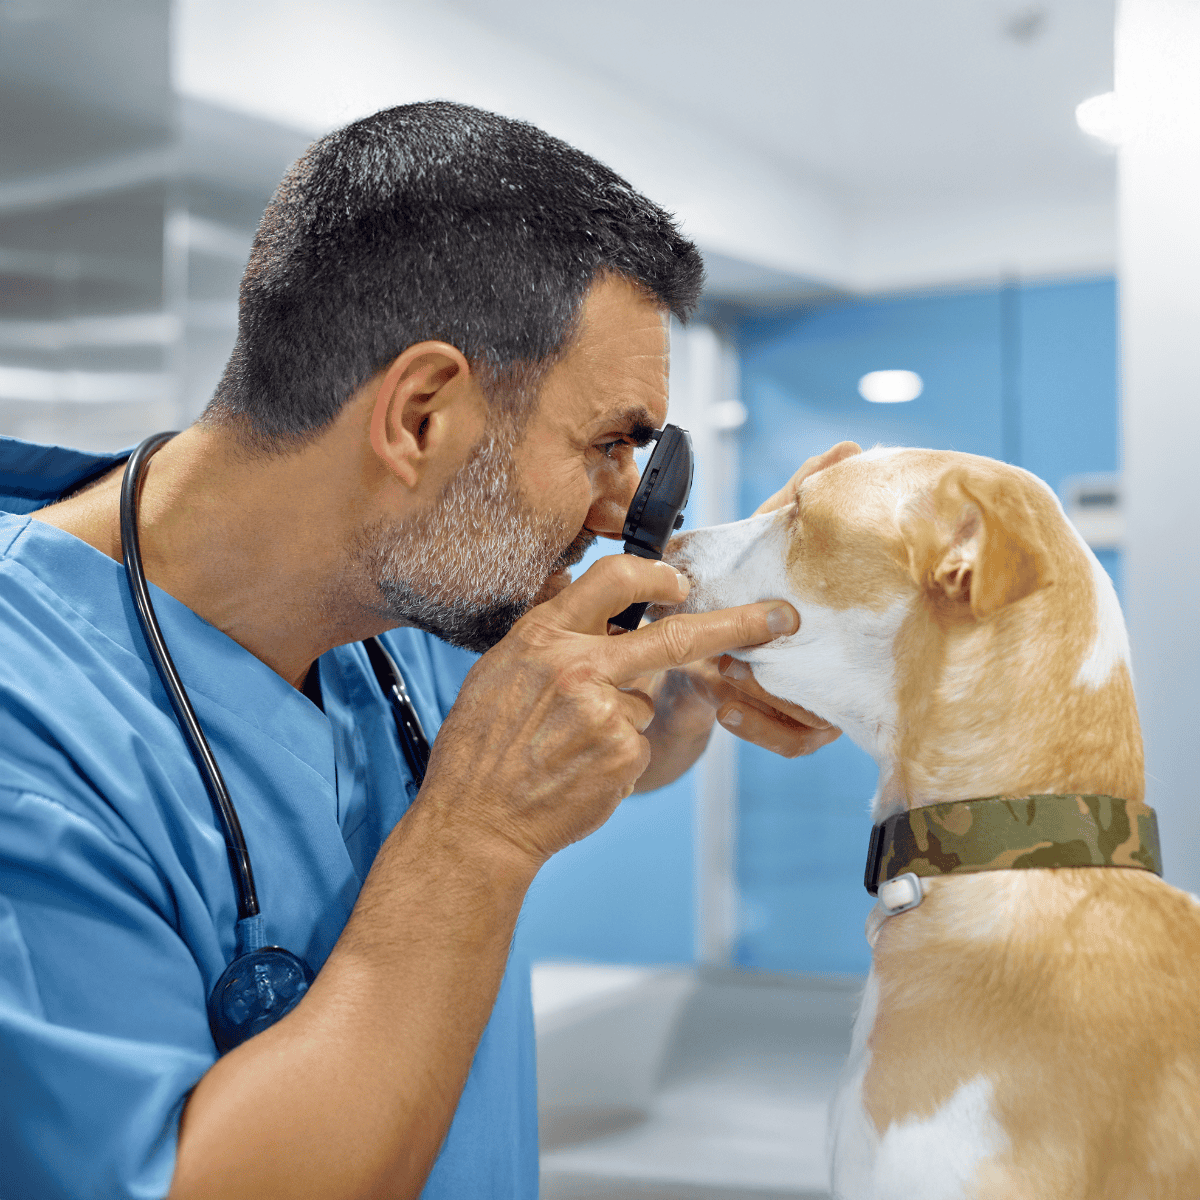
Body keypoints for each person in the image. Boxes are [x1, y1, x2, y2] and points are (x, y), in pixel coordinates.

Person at [0, 101, 848, 1200]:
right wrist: (476, 839)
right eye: (603, 444)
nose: (611, 513)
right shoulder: (29, 722)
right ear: (419, 417)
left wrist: (678, 693)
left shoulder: (398, 597)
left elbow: (589, 751)